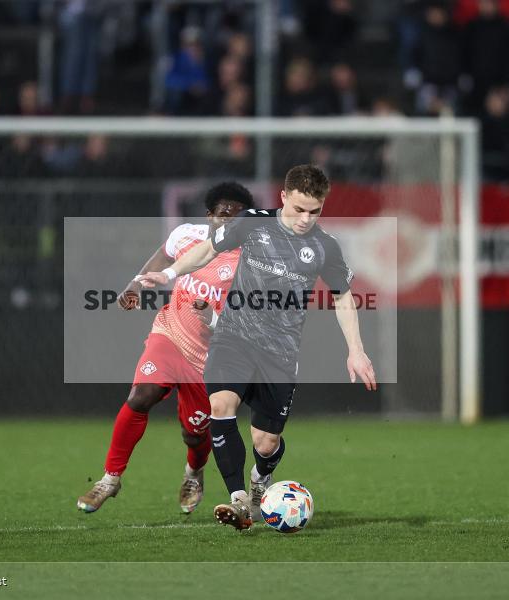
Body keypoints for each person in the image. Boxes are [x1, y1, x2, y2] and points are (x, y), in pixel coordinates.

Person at [138, 165, 376, 531]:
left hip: (279, 354)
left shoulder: (325, 246)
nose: (305, 219)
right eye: (299, 209)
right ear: (283, 197)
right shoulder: (253, 223)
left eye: (314, 211)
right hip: (233, 338)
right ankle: (238, 501)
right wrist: (168, 274)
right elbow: (205, 250)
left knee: (266, 443)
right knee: (221, 406)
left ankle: (259, 481)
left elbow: (343, 297)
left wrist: (356, 351)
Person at [77, 183, 255, 514]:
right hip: (170, 335)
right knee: (140, 396)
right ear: (209, 217)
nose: (229, 220)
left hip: (211, 359)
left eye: (238, 216)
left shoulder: (251, 259)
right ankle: (110, 479)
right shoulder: (187, 235)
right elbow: (160, 259)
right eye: (223, 214)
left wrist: (215, 317)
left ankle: (193, 472)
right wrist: (134, 285)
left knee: (194, 432)